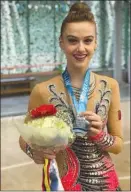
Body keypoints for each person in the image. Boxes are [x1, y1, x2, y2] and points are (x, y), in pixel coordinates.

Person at [19, 2, 123, 191]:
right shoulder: (42, 91)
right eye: (73, 40)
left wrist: (100, 135)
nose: (81, 48)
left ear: (96, 43)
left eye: (88, 40)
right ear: (61, 42)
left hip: (106, 184)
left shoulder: (110, 86)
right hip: (63, 184)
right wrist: (34, 151)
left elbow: (118, 145)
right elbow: (24, 138)